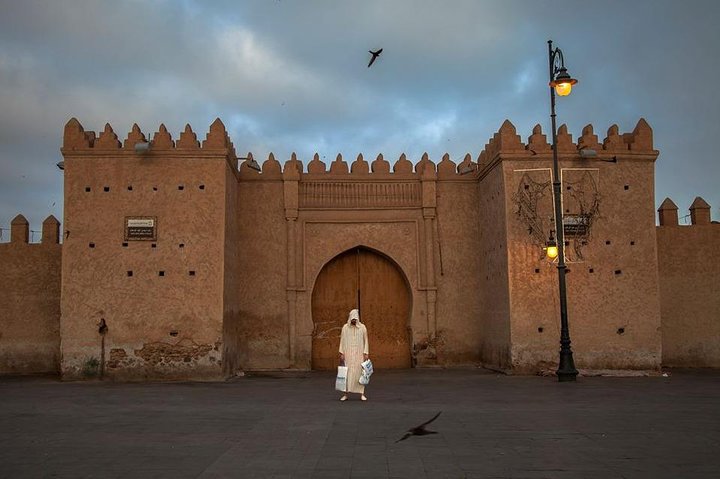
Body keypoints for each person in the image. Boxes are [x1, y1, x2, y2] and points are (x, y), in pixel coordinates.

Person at [338, 309, 369, 401]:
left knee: (360, 374)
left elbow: (366, 341)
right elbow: (342, 340)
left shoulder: (363, 328)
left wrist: (366, 353)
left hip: (359, 354)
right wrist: (341, 353)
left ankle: (362, 394)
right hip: (348, 354)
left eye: (355, 319)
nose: (354, 321)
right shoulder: (345, 328)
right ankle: (345, 394)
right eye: (352, 319)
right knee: (347, 374)